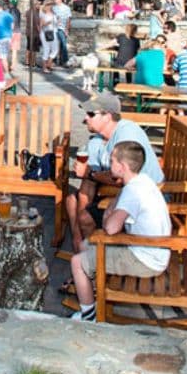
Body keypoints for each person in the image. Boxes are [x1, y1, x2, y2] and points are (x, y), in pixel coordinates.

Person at [69, 140, 171, 321]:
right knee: (86, 245)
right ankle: (93, 293)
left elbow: (110, 228)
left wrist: (110, 212)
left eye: (112, 161)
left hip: (145, 259)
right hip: (154, 250)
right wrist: (113, 209)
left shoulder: (132, 192)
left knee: (77, 262)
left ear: (122, 167)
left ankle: (89, 315)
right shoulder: (142, 180)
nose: (109, 164)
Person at [65, 92, 162, 253]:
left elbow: (120, 178)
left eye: (91, 114)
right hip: (120, 192)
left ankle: (96, 259)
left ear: (108, 116)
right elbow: (87, 183)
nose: (85, 118)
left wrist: (90, 173)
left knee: (83, 215)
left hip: (146, 198)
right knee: (72, 201)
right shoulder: (96, 141)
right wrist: (77, 234)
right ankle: (84, 251)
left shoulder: (127, 134)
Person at [52, 0, 72, 66]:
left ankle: (63, 61)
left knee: (63, 44)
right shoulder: (53, 8)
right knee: (55, 44)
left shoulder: (66, 8)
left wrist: (67, 29)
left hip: (62, 29)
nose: (55, 0)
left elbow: (68, 19)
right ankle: (54, 60)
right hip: (54, 28)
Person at [38, 0, 58, 73]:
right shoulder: (43, 14)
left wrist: (57, 22)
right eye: (49, 4)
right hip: (45, 33)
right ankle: (44, 68)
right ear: (45, 5)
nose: (50, 6)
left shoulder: (54, 13)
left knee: (55, 49)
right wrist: (47, 23)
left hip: (53, 32)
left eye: (51, 4)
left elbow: (55, 23)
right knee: (46, 49)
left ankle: (49, 63)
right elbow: (41, 25)